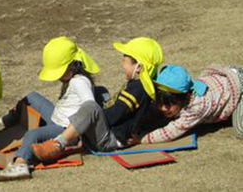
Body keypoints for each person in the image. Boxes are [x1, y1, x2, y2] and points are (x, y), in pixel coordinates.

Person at [30, 37, 163, 162]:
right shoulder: (140, 86)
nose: (122, 63)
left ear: (139, 67)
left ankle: (58, 144)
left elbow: (114, 116)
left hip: (110, 140)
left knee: (90, 107)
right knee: (99, 92)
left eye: (125, 59)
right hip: (110, 134)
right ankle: (70, 133)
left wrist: (87, 120)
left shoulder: (138, 89)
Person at [0, 36, 99, 181]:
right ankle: (10, 120)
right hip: (57, 117)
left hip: (65, 129)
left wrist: (75, 134)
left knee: (32, 135)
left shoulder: (80, 82)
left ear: (73, 65)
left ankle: (20, 165)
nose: (58, 77)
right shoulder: (72, 78)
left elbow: (90, 107)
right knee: (32, 97)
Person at [138, 64, 243, 143]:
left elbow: (171, 132)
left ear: (183, 98)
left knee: (240, 129)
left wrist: (142, 139)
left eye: (169, 104)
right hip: (229, 79)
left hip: (238, 89)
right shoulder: (183, 92)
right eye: (160, 103)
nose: (164, 108)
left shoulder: (196, 107)